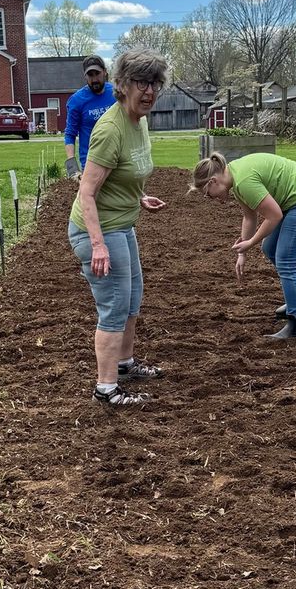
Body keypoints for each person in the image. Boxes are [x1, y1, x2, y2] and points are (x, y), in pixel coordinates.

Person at [67, 49, 168, 407]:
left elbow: (128, 171)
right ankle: (106, 388)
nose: (150, 91)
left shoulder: (138, 121)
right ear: (122, 85)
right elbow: (87, 191)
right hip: (97, 229)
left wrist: (138, 197)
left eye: (155, 83)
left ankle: (124, 364)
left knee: (133, 297)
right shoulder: (110, 129)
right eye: (142, 82)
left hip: (123, 223)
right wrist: (97, 246)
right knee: (114, 304)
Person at [188, 150, 296, 340]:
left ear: (213, 182)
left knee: (286, 260)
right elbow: (250, 217)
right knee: (269, 248)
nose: (210, 198)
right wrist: (242, 253)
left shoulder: (244, 181)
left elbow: (274, 216)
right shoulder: (236, 180)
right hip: (294, 199)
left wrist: (250, 242)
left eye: (207, 194)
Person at [64, 56, 116, 177]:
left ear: (105, 72)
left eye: (97, 74)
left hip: (117, 161)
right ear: (85, 76)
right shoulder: (77, 100)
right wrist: (72, 169)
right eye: (90, 75)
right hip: (91, 164)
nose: (94, 79)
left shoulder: (116, 93)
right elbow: (70, 134)